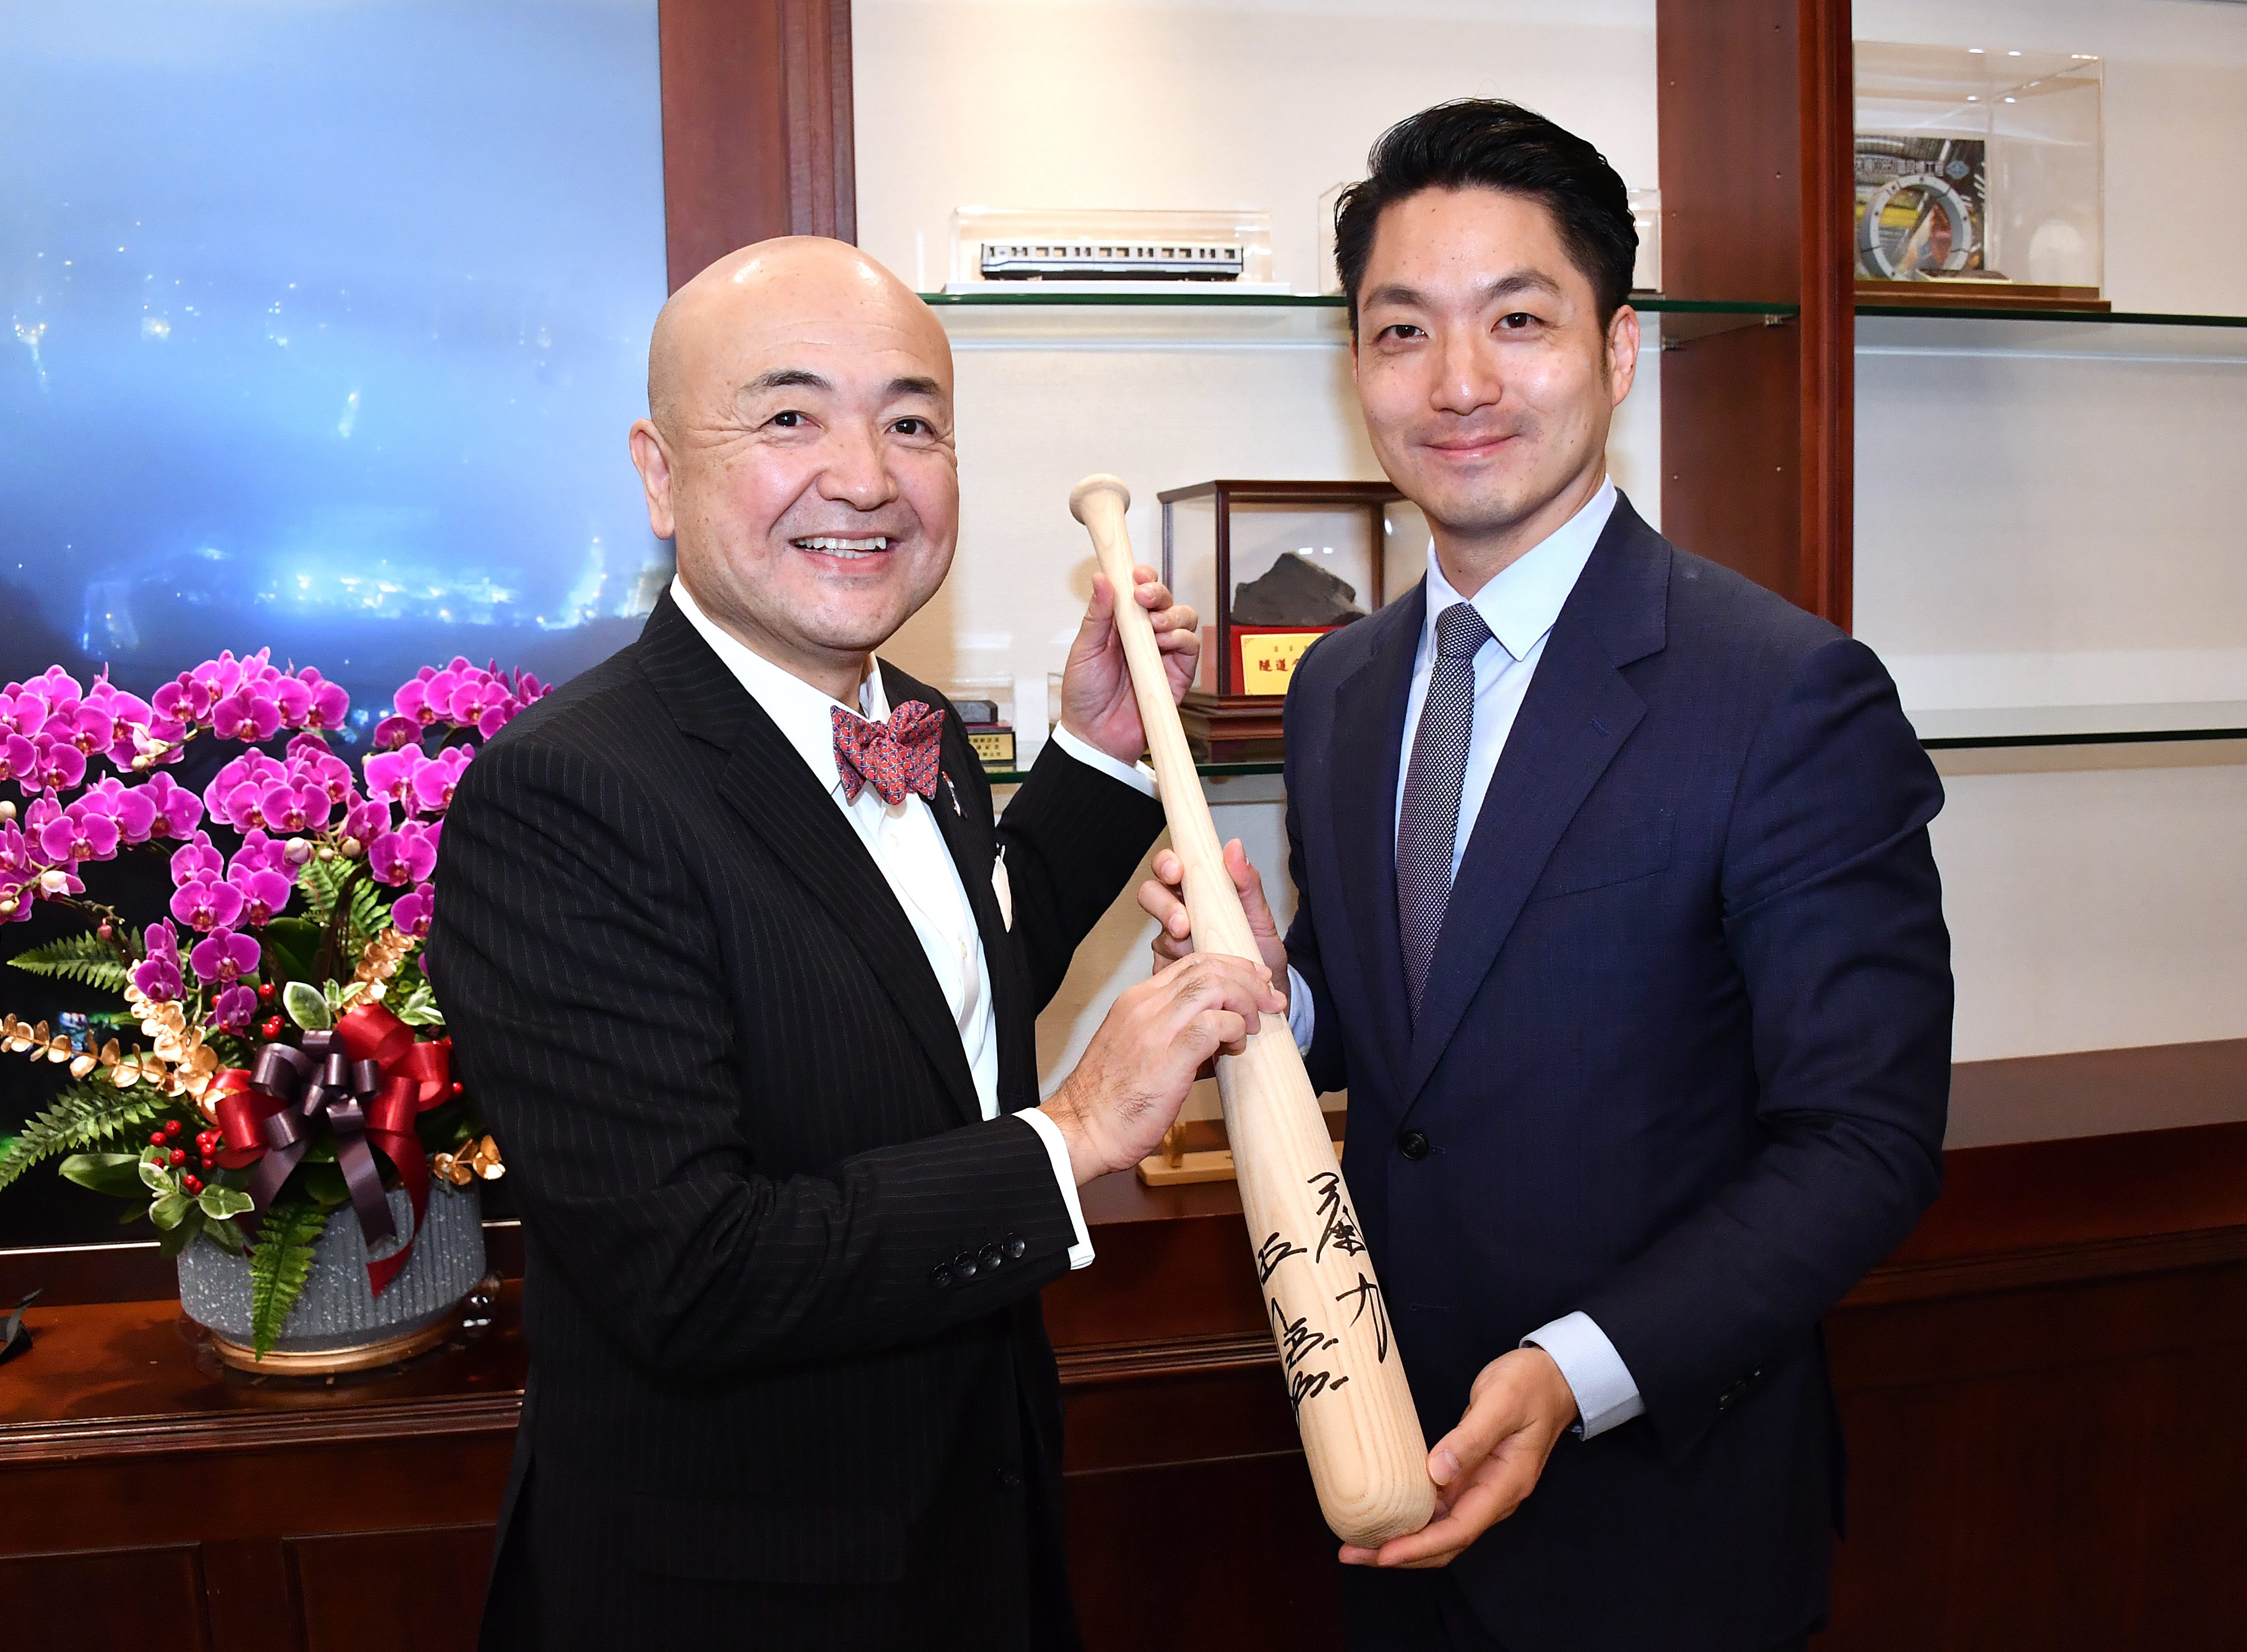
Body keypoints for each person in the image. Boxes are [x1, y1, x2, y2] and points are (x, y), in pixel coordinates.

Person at [1141, 101, 1953, 1651]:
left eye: (1518, 320)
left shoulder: (1786, 693)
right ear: (1359, 366)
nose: (1458, 383)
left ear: (1618, 348)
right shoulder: (1343, 686)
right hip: (1382, 1476)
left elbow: (1864, 1143)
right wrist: (1279, 991)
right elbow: (1409, 1033)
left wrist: (1574, 1372)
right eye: (1403, 332)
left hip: (1664, 1526)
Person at [434, 236, 1281, 1652]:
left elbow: (934, 991)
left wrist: (1098, 754)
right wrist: (1076, 1131)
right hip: (741, 1597)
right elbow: (693, 1273)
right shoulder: (565, 795)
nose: (868, 477)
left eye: (912, 424)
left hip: (979, 1530)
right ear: (659, 473)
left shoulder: (915, 734)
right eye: (789, 416)